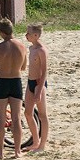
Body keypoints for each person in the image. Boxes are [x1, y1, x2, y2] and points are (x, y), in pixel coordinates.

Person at [0, 18, 28, 159]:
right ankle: (17, 151)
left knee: (1, 118)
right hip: (16, 81)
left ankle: (0, 151)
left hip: (2, 81)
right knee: (16, 118)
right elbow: (23, 67)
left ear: (1, 32)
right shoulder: (22, 47)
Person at [24, 24, 49, 152]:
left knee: (42, 115)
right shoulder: (31, 48)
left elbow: (44, 71)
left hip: (39, 83)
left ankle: (42, 145)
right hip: (30, 82)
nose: (26, 35)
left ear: (36, 35)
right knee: (27, 113)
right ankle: (35, 141)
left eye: (28, 33)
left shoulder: (41, 50)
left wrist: (39, 91)